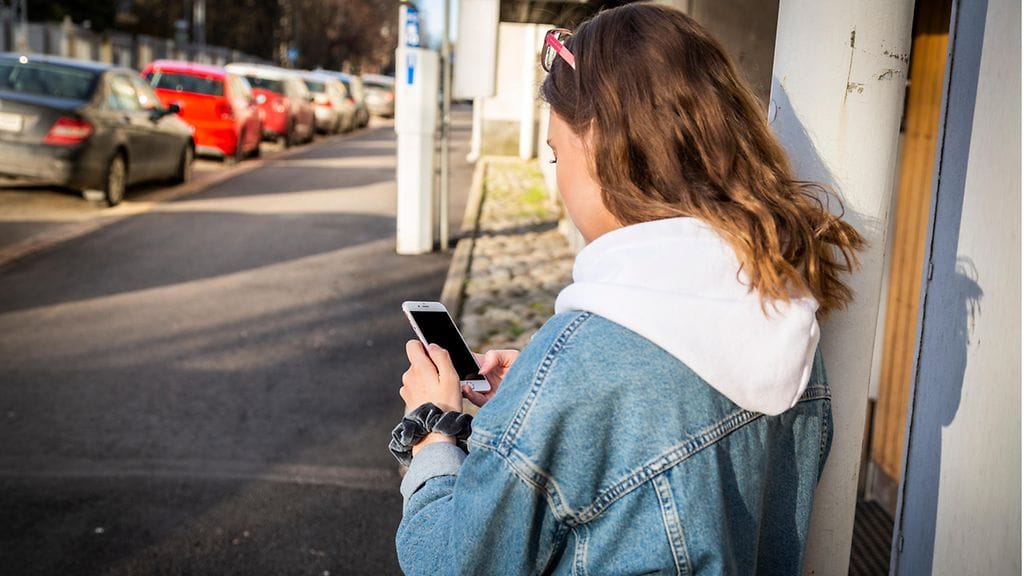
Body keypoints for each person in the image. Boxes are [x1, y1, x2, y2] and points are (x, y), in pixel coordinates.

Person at [392, 3, 864, 574]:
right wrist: (533, 403)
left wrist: (433, 430)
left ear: (601, 148)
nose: (559, 176)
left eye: (556, 153)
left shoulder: (578, 368)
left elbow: (449, 564)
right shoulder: (784, 310)